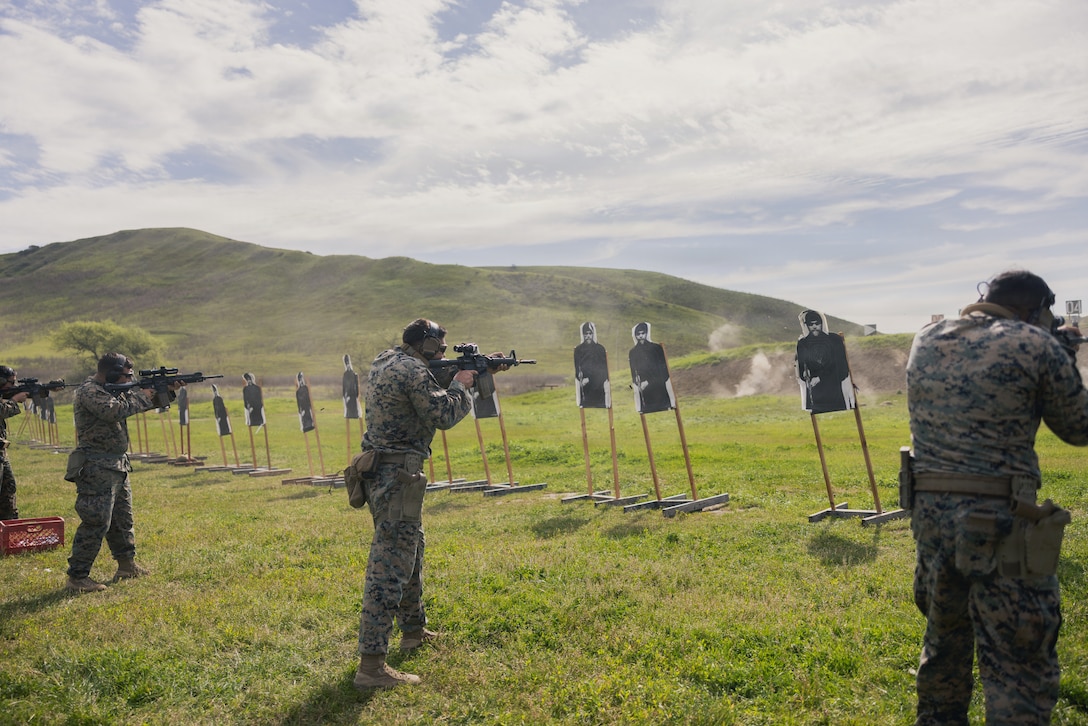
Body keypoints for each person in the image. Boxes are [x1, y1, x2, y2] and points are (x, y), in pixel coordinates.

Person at [906, 270, 1088, 724]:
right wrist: (1061, 352)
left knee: (944, 644)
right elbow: (1078, 427)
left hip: (931, 522)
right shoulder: (1037, 344)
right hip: (1001, 522)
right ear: (1033, 310)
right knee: (1020, 660)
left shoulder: (926, 339)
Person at [353, 318, 503, 690]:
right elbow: (443, 414)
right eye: (438, 350)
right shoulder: (412, 370)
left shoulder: (387, 360)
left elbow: (418, 383)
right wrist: (462, 384)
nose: (441, 355)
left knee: (411, 550)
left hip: (382, 473)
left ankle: (413, 632)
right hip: (397, 476)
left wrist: (471, 368)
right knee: (389, 566)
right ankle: (371, 666)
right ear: (426, 345)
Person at [65, 353, 181, 593]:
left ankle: (127, 566)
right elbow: (114, 411)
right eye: (127, 375)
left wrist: (166, 391)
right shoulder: (89, 391)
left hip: (117, 464)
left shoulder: (115, 389)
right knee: (96, 522)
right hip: (96, 465)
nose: (130, 379)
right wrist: (142, 393)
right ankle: (77, 577)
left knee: (121, 520)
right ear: (111, 373)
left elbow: (145, 404)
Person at [795, 310, 853, 414]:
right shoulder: (803, 343)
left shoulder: (834, 340)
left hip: (834, 392)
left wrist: (821, 377)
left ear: (822, 323)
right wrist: (805, 376)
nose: (814, 326)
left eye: (817, 323)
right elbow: (801, 368)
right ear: (806, 325)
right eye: (810, 324)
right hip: (816, 395)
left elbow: (842, 368)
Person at [0, 366, 29, 520]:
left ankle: (9, 526)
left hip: (2, 452)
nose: (13, 386)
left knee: (8, 489)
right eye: (11, 383)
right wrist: (15, 401)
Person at [628, 322, 674, 414]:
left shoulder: (656, 348)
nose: (641, 336)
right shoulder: (633, 352)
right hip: (644, 387)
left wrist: (650, 381)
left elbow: (663, 369)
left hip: (658, 383)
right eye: (638, 334)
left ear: (646, 333)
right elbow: (633, 371)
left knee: (662, 403)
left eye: (643, 333)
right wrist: (637, 382)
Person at [574, 322, 610, 409]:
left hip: (598, 387)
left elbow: (604, 370)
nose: (588, 336)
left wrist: (590, 379)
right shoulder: (578, 350)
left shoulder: (600, 349)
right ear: (583, 335)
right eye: (586, 334)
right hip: (585, 389)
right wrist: (580, 378)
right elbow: (577, 367)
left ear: (593, 334)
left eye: (590, 333)